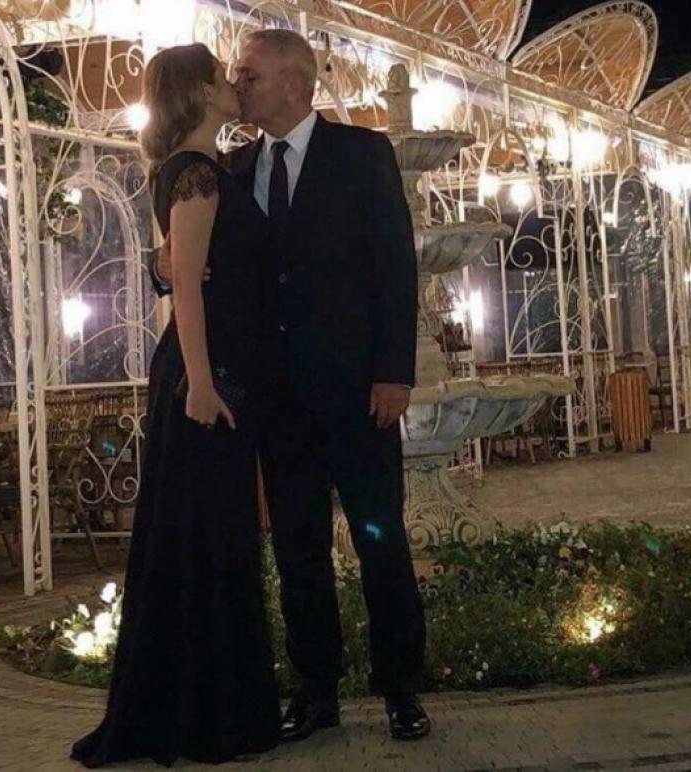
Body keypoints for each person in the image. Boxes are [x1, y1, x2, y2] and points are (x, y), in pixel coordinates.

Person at [70, 43, 280, 767]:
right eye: (223, 77)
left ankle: (207, 708)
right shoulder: (195, 173)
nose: (235, 83)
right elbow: (187, 287)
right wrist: (201, 383)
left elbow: (187, 273)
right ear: (198, 91)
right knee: (208, 539)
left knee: (209, 536)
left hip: (212, 371)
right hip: (205, 377)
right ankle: (205, 714)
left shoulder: (201, 168)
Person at [230, 29, 429, 742]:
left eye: (248, 75)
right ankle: (316, 691)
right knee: (297, 549)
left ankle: (401, 687)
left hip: (357, 394)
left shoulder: (361, 155)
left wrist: (394, 372)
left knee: (381, 540)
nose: (237, 86)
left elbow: (395, 266)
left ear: (294, 83)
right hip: (280, 401)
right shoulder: (235, 167)